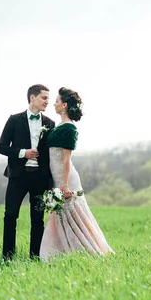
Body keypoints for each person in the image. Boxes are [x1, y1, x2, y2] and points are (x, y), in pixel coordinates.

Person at [39, 87, 114, 262]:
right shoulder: (58, 127)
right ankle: (62, 251)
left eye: (56, 101)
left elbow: (66, 160)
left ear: (64, 105)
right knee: (61, 214)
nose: (54, 104)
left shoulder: (69, 129)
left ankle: (84, 250)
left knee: (73, 214)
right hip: (57, 178)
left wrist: (64, 184)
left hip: (66, 178)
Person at [0, 84, 55, 262]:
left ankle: (35, 258)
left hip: (39, 178)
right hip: (18, 177)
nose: (47, 101)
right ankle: (8, 257)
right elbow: (1, 147)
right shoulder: (14, 120)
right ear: (32, 98)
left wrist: (51, 181)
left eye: (48, 98)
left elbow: (51, 155)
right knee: (10, 216)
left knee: (37, 219)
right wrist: (23, 153)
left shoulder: (49, 123)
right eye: (44, 98)